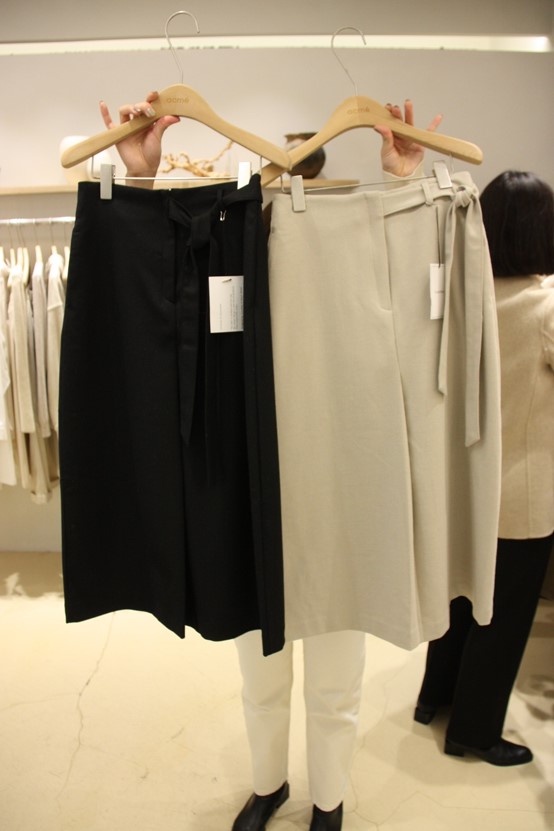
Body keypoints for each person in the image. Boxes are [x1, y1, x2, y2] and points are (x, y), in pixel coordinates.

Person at [97, 95, 441, 831]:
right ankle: (267, 783)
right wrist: (141, 179)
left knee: (337, 668)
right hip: (250, 476)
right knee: (259, 665)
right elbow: (150, 270)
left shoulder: (351, 228)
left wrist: (403, 181)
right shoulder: (228, 230)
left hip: (336, 472)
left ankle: (330, 799)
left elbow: (415, 276)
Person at [414, 170, 554, 766]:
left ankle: (435, 698)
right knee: (505, 616)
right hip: (523, 489)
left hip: (462, 484)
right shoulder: (546, 304)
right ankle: (473, 731)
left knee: (460, 596)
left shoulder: (462, 295)